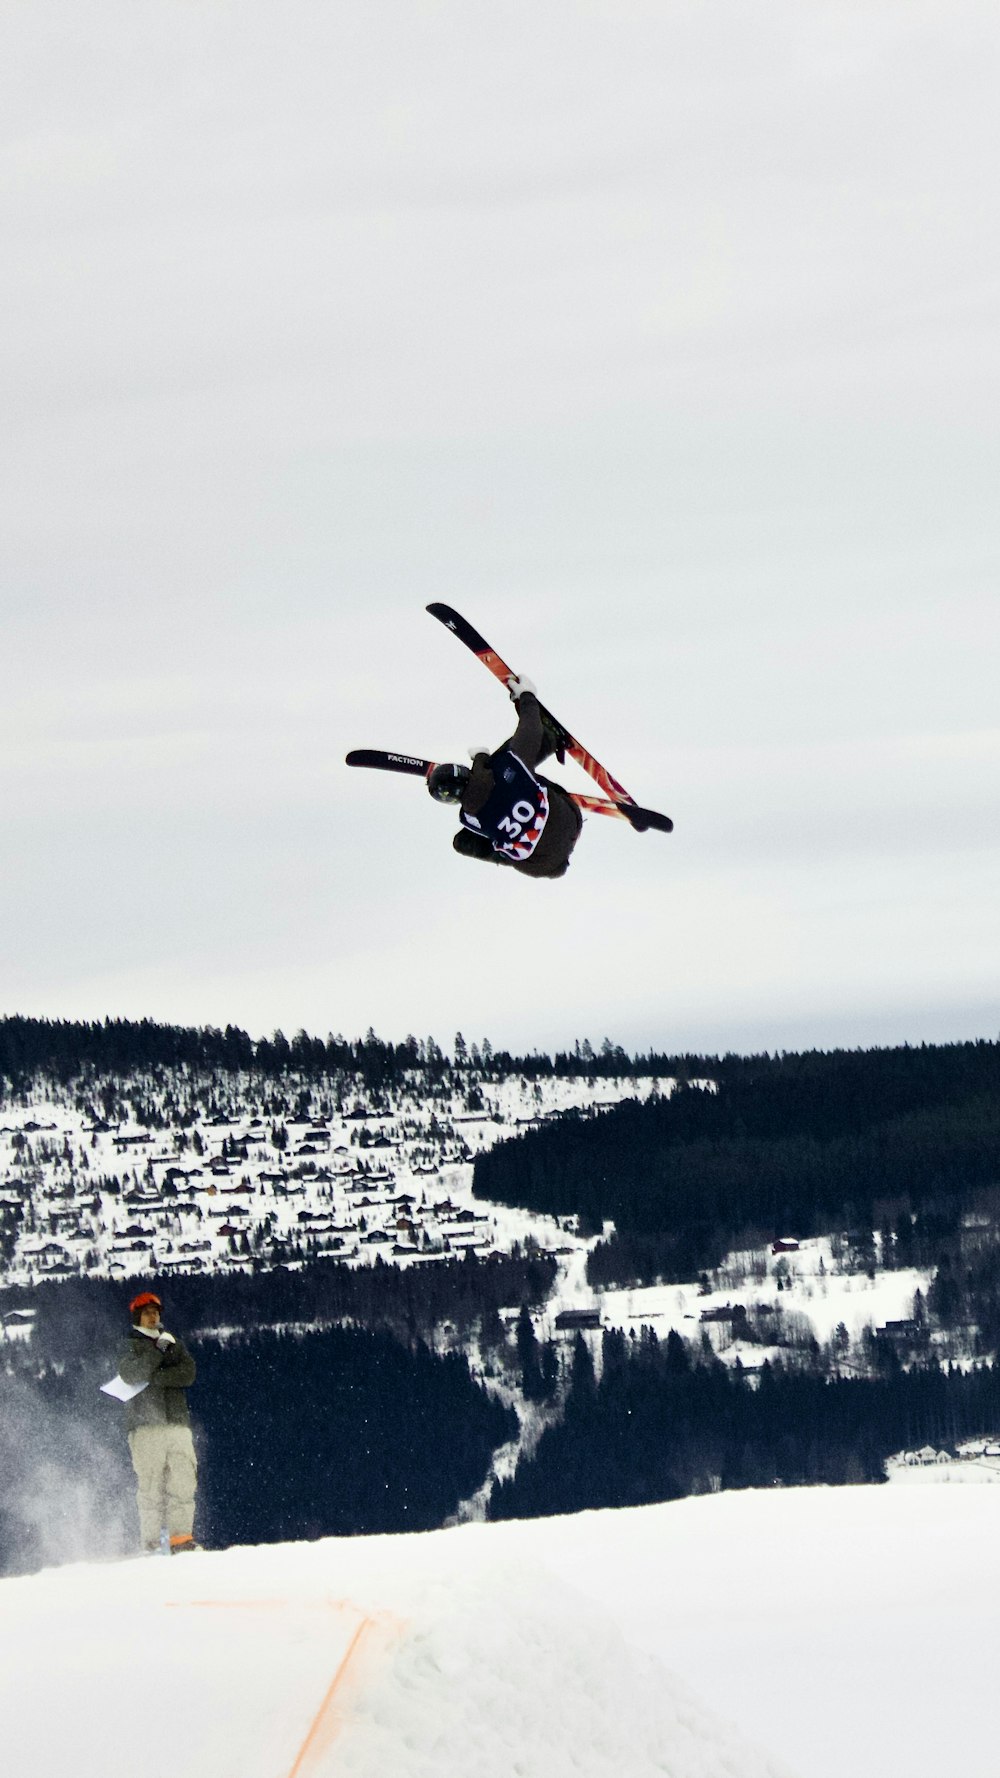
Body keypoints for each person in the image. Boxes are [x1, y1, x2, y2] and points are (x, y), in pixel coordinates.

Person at [428, 678, 583, 879]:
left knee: (462, 843)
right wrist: (526, 696)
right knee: (523, 773)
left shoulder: (469, 819)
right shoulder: (505, 768)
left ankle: (543, 749)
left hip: (548, 866)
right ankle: (550, 738)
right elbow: (530, 730)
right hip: (570, 818)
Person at [118, 1290, 200, 1554]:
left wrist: (156, 1378)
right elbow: (133, 1374)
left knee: (183, 1482)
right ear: (137, 1317)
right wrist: (157, 1352)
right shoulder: (130, 1344)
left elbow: (188, 1373)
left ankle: (181, 1540)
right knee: (151, 1487)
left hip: (176, 1424)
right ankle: (152, 1544)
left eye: (156, 1312)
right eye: (147, 1313)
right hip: (145, 1426)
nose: (153, 1317)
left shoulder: (174, 1343)